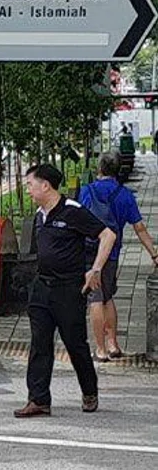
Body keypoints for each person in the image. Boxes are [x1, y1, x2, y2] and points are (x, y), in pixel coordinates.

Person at [15, 164, 116, 418]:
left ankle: (89, 391)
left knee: (74, 343)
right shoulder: (40, 214)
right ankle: (38, 399)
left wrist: (95, 270)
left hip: (68, 289)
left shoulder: (72, 211)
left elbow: (108, 235)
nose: (27, 189)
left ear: (45, 185)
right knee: (39, 343)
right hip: (42, 287)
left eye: (30, 184)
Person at [79, 152, 158, 361]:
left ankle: (101, 349)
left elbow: (76, 221)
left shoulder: (87, 191)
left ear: (99, 169)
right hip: (112, 253)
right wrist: (154, 254)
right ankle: (114, 344)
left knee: (94, 298)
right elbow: (140, 228)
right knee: (108, 296)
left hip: (89, 252)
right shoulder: (125, 195)